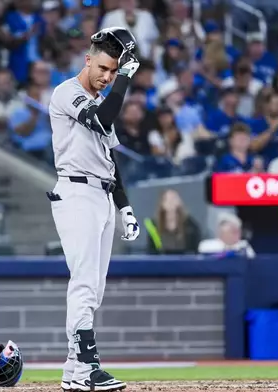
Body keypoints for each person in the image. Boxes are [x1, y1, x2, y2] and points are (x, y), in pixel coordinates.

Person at [47, 27, 141, 392]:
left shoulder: (104, 99)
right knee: (84, 283)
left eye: (114, 72)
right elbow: (101, 119)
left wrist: (126, 207)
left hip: (102, 196)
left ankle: (73, 371)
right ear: (88, 60)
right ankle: (88, 367)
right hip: (76, 192)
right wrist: (127, 78)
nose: (107, 76)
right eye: (103, 67)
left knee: (95, 290)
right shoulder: (67, 92)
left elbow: (110, 157)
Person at [144, 189, 201, 255]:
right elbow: (151, 251)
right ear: (162, 204)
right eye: (168, 200)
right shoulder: (154, 226)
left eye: (174, 199)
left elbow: (194, 250)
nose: (171, 202)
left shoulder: (190, 225)